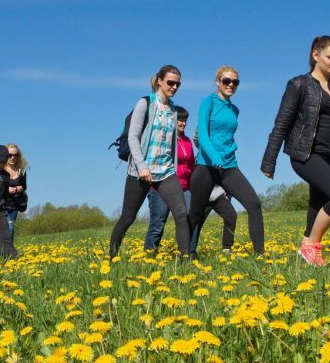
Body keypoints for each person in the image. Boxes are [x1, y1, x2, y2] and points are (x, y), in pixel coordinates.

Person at [261, 36, 330, 265]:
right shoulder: (299, 84)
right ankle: (312, 246)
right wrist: (268, 161)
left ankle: (304, 257)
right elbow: (281, 123)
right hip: (305, 154)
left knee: (317, 205)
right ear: (316, 55)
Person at [109, 65, 191, 258]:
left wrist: (172, 165)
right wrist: (142, 167)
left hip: (165, 171)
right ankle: (111, 258)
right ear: (160, 81)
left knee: (181, 214)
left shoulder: (173, 110)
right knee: (128, 218)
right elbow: (133, 137)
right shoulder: (145, 103)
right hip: (140, 171)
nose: (174, 87)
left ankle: (186, 263)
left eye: (178, 84)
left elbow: (170, 143)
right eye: (170, 83)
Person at [188, 66, 264, 255]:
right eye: (226, 81)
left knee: (254, 204)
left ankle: (261, 254)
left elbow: (227, 137)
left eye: (235, 82)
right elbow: (203, 135)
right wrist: (214, 157)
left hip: (229, 166)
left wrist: (227, 156)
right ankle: (186, 254)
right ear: (218, 82)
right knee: (196, 214)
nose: (231, 85)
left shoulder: (234, 110)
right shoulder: (208, 102)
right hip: (207, 164)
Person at [143, 107, 237, 255]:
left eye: (185, 120)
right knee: (158, 224)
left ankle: (188, 255)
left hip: (185, 187)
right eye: (179, 120)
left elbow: (192, 166)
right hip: (162, 185)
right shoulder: (165, 138)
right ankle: (148, 256)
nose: (183, 123)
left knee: (189, 218)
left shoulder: (186, 141)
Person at [0, 143, 28, 255]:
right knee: (3, 233)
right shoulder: (0, 170)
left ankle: (6, 257)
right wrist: (7, 189)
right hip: (1, 205)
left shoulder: (21, 171)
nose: (12, 157)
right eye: (10, 155)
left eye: (15, 155)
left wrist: (21, 188)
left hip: (14, 205)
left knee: (10, 231)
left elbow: (25, 186)